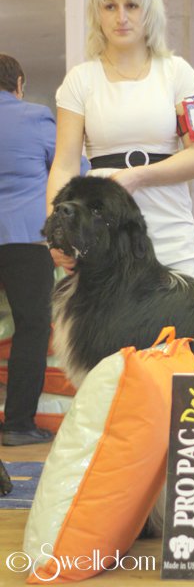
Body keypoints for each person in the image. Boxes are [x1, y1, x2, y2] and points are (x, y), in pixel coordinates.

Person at [47, 0, 194, 280]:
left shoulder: (178, 73)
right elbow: (65, 165)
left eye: (132, 5)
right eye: (110, 6)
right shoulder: (80, 80)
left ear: (148, 11)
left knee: (176, 330)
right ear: (98, 13)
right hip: (101, 235)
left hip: (170, 231)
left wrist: (136, 178)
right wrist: (56, 232)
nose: (121, 17)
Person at [0, 53, 56, 446]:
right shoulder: (37, 117)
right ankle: (18, 425)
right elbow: (75, 168)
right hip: (25, 240)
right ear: (19, 83)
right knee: (32, 328)